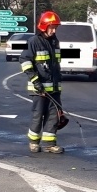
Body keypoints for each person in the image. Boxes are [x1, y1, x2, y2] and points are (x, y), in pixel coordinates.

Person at [20, 11, 64, 154]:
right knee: (38, 115)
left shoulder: (55, 41)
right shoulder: (34, 41)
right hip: (38, 88)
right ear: (44, 26)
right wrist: (35, 80)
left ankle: (49, 144)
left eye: (55, 27)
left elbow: (55, 64)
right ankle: (33, 142)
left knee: (54, 116)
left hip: (54, 88)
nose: (54, 30)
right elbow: (25, 60)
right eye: (51, 27)